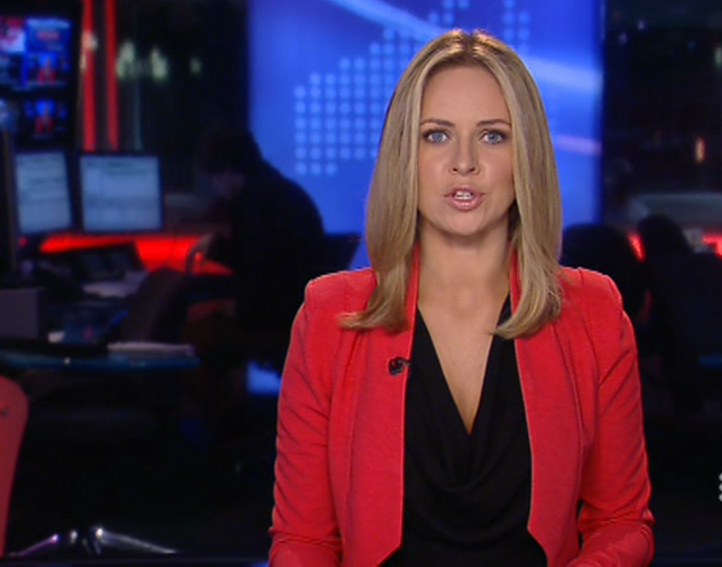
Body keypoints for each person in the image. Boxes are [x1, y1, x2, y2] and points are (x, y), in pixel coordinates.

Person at [269, 30, 654, 566]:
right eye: (436, 135)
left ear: (525, 156)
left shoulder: (593, 312)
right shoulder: (330, 317)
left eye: (493, 136)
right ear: (404, 155)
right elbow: (303, 540)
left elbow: (621, 522)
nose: (464, 162)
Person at [183, 123, 325, 429]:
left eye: (213, 177)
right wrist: (219, 248)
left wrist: (230, 307)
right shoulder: (279, 192)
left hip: (275, 320)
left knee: (191, 335)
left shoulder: (253, 204)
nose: (215, 187)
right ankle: (231, 422)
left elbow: (263, 282)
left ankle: (210, 431)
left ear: (227, 170)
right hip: (296, 316)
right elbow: (264, 260)